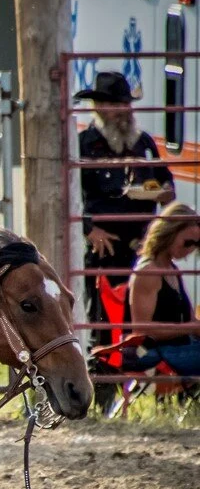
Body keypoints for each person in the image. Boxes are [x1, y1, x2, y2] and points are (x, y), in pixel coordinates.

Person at [76, 69, 174, 334]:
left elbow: (167, 184)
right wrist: (89, 229)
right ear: (97, 107)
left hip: (142, 247)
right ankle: (104, 370)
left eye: (123, 103)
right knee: (103, 321)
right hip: (105, 248)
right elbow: (70, 198)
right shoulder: (83, 145)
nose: (120, 110)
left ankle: (142, 370)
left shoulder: (144, 143)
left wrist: (163, 195)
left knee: (146, 322)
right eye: (111, 104)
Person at [127, 201, 200, 377]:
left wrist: (192, 327)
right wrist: (188, 329)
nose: (190, 249)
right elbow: (142, 331)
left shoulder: (173, 269)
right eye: (187, 242)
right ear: (170, 232)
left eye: (196, 245)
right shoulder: (148, 272)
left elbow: (191, 320)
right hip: (152, 352)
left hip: (180, 346)